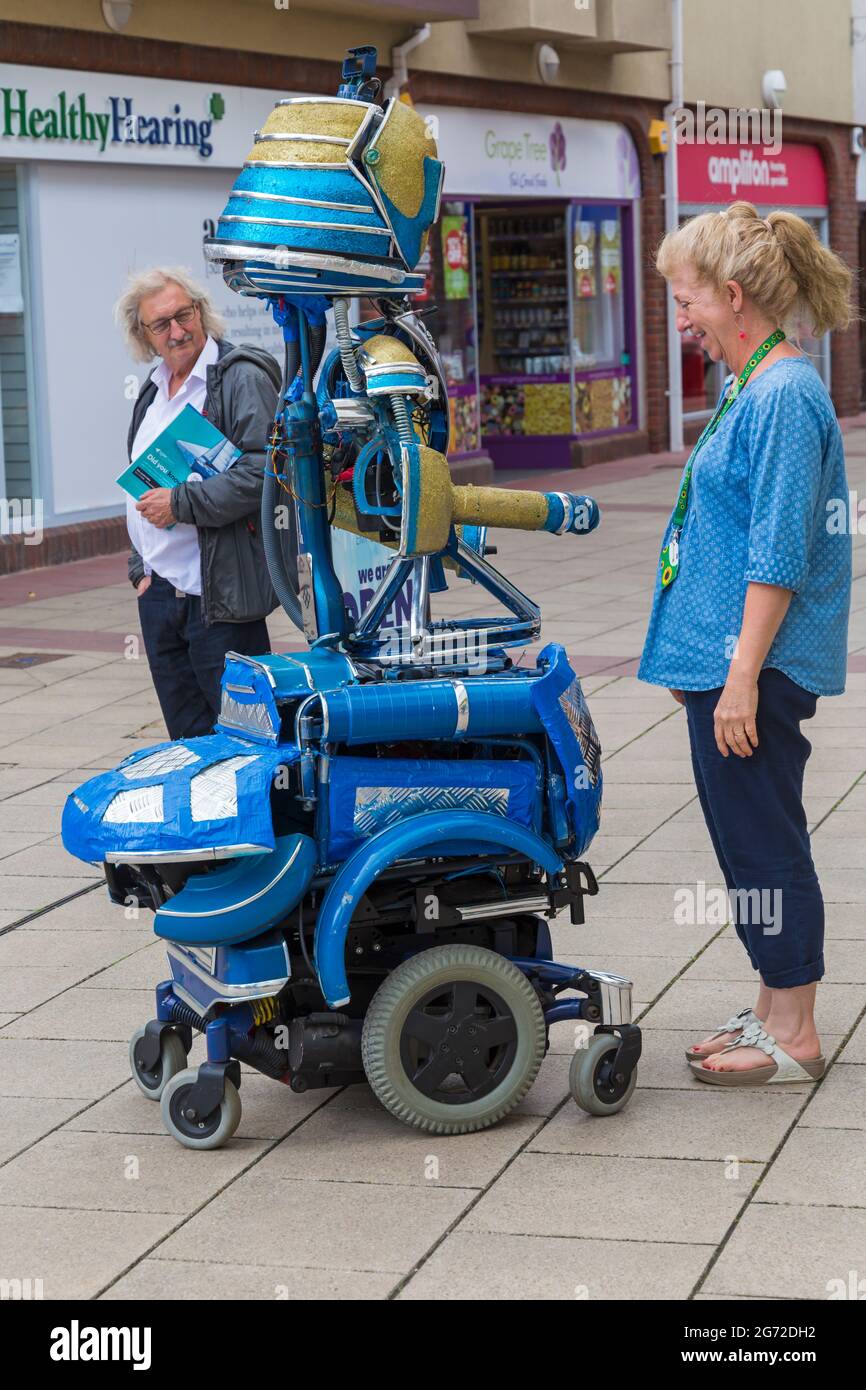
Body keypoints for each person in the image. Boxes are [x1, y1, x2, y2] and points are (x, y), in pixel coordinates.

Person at [639, 201, 853, 1086]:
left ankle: (795, 1030)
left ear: (732, 296)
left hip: (750, 670)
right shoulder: (756, 383)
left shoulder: (782, 395)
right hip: (731, 664)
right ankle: (773, 1003)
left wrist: (739, 680)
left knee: (763, 839)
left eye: (686, 302)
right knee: (749, 837)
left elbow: (777, 556)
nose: (680, 320)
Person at [115, 267, 280, 739]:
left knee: (249, 743)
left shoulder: (238, 376)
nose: (177, 331)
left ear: (201, 312)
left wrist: (181, 503)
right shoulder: (152, 389)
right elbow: (142, 486)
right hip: (161, 597)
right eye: (161, 325)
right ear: (144, 336)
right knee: (187, 743)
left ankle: (262, 817)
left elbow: (265, 471)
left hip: (221, 599)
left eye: (183, 315)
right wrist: (139, 567)